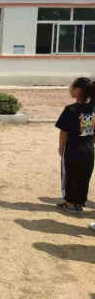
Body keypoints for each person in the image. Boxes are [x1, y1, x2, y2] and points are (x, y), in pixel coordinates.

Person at [55, 77, 95, 214]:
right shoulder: (93, 109)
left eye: (71, 87)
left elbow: (64, 131)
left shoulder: (71, 109)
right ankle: (79, 202)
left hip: (73, 147)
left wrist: (61, 147)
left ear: (77, 90)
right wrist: (90, 144)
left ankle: (70, 204)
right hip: (89, 147)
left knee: (71, 175)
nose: (70, 89)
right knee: (84, 175)